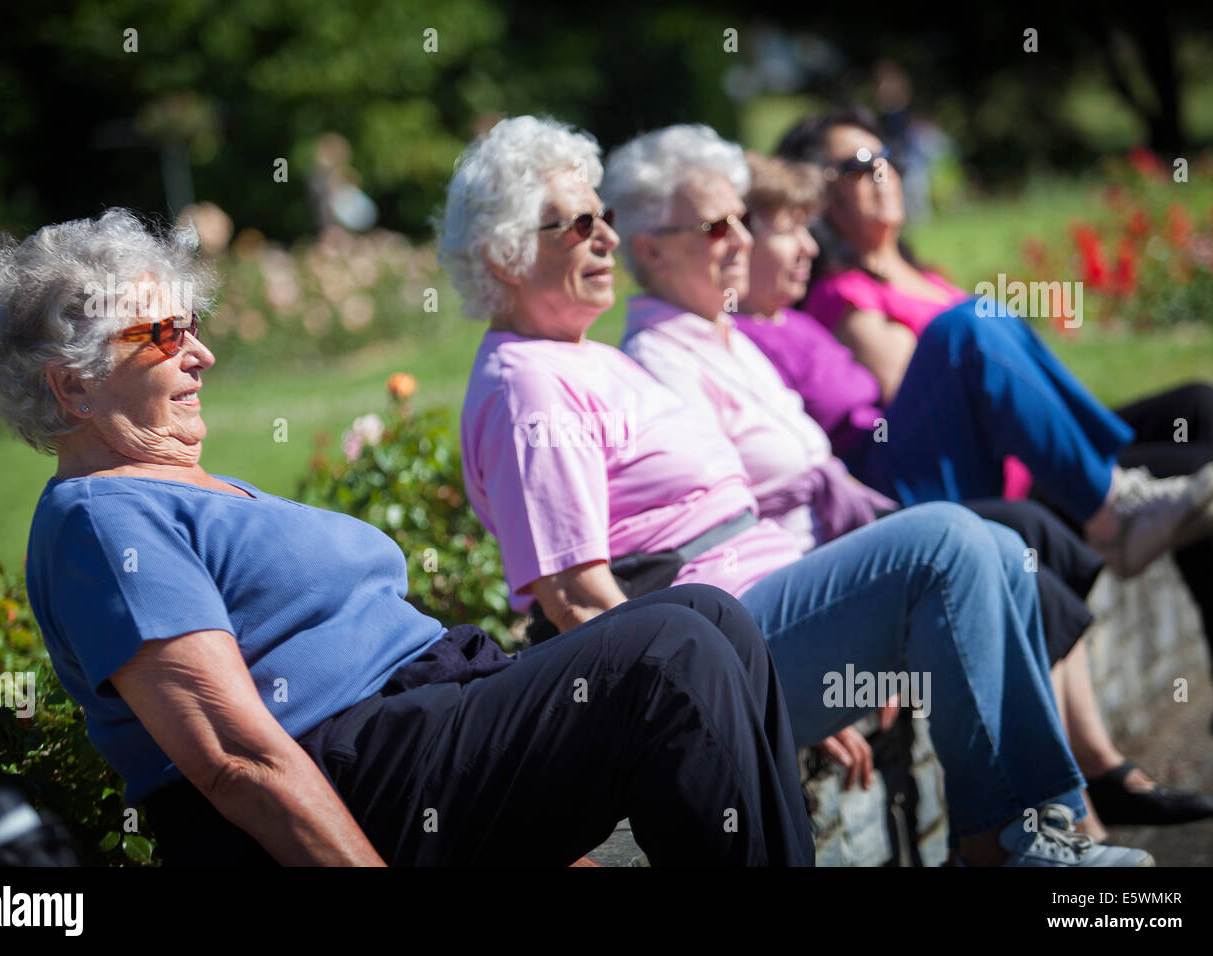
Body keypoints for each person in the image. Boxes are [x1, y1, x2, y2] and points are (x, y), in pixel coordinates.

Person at [0, 208, 815, 867]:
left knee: (714, 618)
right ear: (73, 389)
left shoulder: (185, 486)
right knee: (670, 650)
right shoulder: (101, 520)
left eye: (195, 327)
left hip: (425, 736)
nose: (203, 356)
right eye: (164, 335)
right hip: (364, 769)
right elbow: (233, 758)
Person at [443, 114, 1155, 866]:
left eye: (606, 217)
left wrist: (822, 667)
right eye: (578, 224)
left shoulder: (580, 359)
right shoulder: (529, 388)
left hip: (756, 627)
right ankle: (1016, 842)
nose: (608, 239)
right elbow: (579, 599)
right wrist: (748, 697)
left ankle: (1020, 836)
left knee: (1002, 546)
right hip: (714, 657)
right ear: (504, 252)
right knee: (944, 541)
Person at [606, 138, 1213, 834]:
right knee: (969, 522)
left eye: (750, 221)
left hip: (833, 540)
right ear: (651, 248)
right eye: (722, 225)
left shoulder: (732, 341)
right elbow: (691, 551)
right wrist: (794, 668)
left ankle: (1063, 817)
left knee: (1011, 539)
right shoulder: (666, 363)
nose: (745, 239)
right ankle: (1045, 827)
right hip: (782, 593)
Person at [778, 107, 1213, 740]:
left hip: (1024, 458)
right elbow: (913, 388)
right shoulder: (838, 292)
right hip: (970, 480)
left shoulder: (926, 277)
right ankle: (1113, 512)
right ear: (815, 189)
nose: (883, 174)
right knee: (1199, 473)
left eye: (890, 159)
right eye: (858, 165)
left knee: (1199, 411)